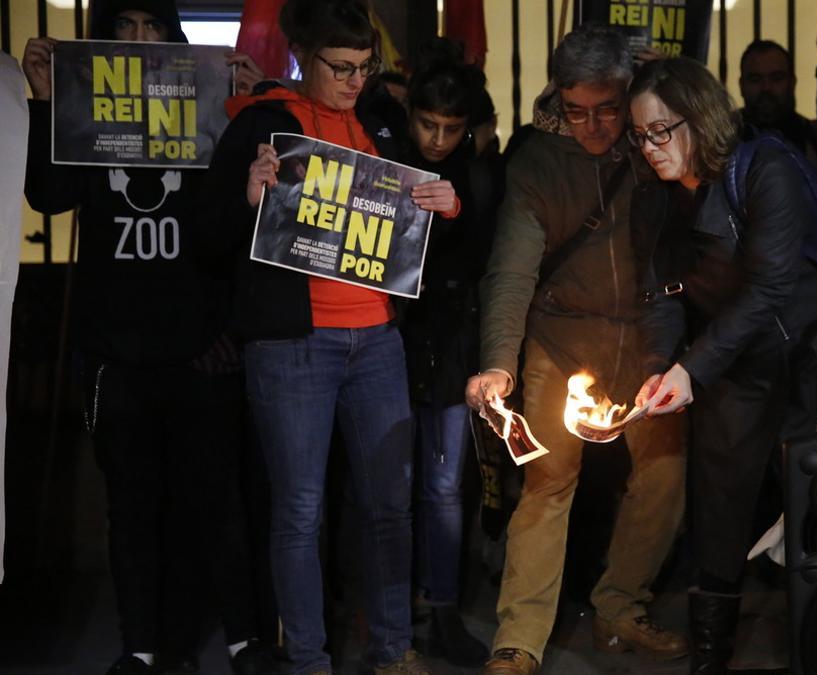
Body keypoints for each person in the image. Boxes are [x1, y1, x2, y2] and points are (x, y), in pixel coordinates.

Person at [20, 1, 276, 673]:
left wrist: (249, 110)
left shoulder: (203, 104)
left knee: (219, 501)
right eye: (124, 29)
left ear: (173, 37)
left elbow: (234, 221)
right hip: (116, 350)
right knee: (132, 507)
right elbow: (47, 197)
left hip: (198, 343)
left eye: (152, 28)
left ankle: (247, 640)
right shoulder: (86, 111)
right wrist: (46, 99)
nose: (137, 42)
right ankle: (141, 648)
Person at [206, 0, 458, 672]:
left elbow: (416, 224)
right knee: (299, 511)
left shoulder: (381, 124)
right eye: (341, 68)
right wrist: (247, 197)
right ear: (302, 59)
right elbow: (205, 236)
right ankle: (310, 659)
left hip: (376, 339)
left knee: (388, 507)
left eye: (365, 67)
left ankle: (393, 646)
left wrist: (445, 205)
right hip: (293, 344)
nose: (354, 80)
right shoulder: (263, 124)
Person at [463, 25, 687, 675]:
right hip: (562, 337)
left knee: (665, 474)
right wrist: (501, 361)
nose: (592, 126)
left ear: (628, 91)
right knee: (546, 482)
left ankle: (620, 606)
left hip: (648, 335)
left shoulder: (650, 143)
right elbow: (510, 271)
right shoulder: (537, 161)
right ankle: (521, 636)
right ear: (557, 99)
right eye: (576, 110)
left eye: (607, 108)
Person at [627, 56, 817, 675]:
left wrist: (691, 370)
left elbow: (769, 289)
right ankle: (710, 657)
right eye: (639, 135)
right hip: (732, 359)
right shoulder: (660, 196)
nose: (649, 147)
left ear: (698, 119)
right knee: (720, 506)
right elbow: (663, 293)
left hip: (810, 354)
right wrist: (658, 366)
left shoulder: (766, 169)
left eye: (660, 131)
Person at [398, 56, 494, 667]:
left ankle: (443, 610)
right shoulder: (383, 161)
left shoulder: (480, 175)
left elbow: (485, 252)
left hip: (452, 337)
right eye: (427, 125)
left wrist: (455, 210)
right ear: (410, 117)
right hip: (389, 335)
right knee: (391, 485)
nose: (437, 139)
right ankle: (391, 611)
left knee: (443, 486)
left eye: (450, 127)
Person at [737, 40, 817, 162]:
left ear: (792, 83)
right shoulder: (721, 139)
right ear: (741, 85)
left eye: (777, 78)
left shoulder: (815, 138)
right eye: (755, 79)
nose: (766, 87)